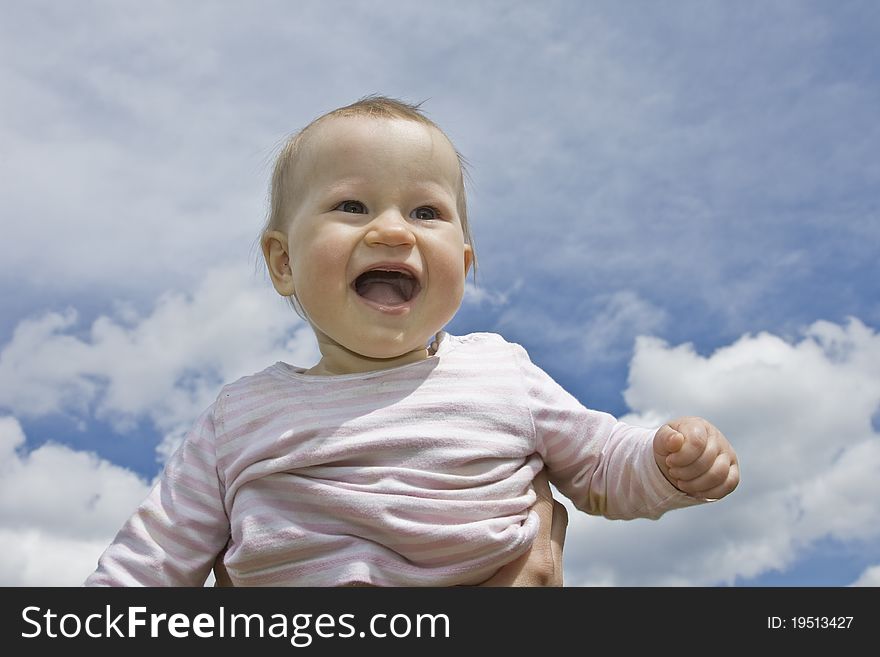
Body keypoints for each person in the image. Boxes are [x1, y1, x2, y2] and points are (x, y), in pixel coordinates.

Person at [84, 95, 739, 587]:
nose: (394, 231)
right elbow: (151, 557)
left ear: (466, 259)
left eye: (426, 212)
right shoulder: (240, 415)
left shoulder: (500, 373)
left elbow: (600, 462)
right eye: (352, 206)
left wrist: (664, 458)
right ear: (282, 262)